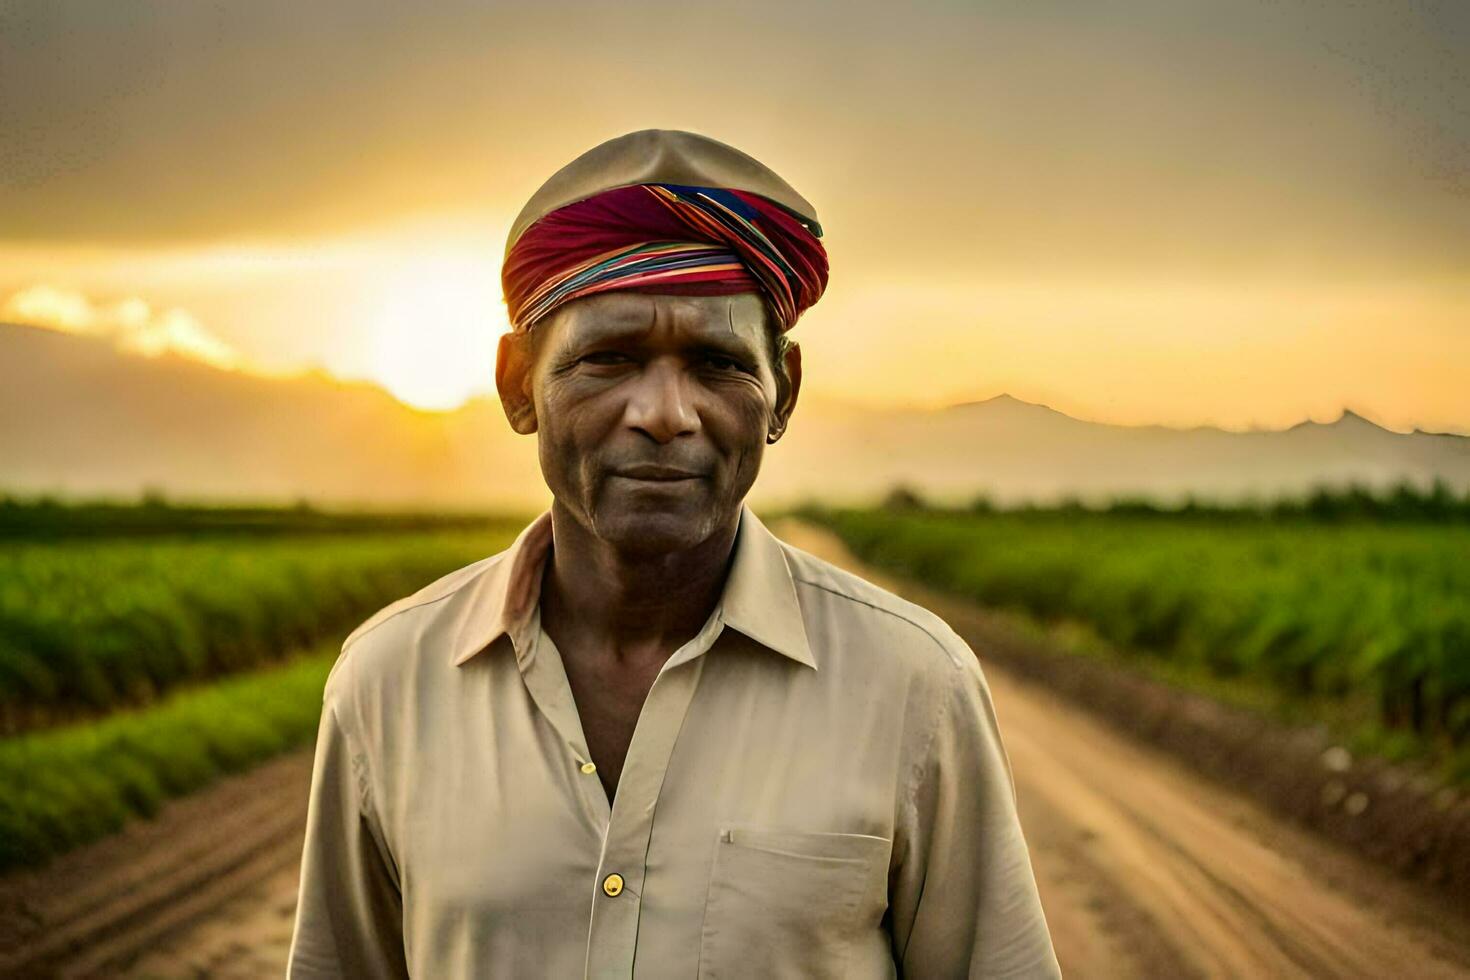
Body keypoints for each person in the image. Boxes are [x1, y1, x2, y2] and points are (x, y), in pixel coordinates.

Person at [287, 129, 1061, 978]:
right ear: (518, 387)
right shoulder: (389, 681)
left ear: (782, 394)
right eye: (608, 359)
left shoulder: (916, 684)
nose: (664, 412)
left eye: (717, 363)